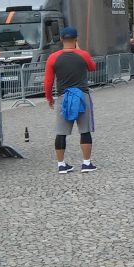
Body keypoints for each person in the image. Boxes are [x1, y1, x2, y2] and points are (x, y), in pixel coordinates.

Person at [43, 27, 98, 174]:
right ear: (76, 39)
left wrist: (49, 98)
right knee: (85, 130)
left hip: (64, 97)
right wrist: (79, 49)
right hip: (82, 96)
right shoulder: (83, 55)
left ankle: (61, 164)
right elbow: (93, 67)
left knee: (61, 132)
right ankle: (86, 163)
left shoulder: (53, 57)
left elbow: (48, 82)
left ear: (61, 39)